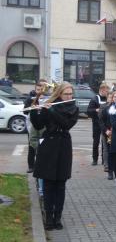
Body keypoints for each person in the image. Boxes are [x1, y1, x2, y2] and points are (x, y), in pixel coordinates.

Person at [31, 82, 79, 230]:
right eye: (66, 94)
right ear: (59, 94)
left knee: (60, 184)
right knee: (48, 183)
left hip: (63, 145)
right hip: (49, 146)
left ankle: (57, 218)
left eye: (71, 94)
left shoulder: (74, 108)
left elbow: (66, 125)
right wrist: (34, 111)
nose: (69, 96)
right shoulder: (50, 105)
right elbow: (39, 125)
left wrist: (51, 110)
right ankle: (49, 217)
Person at [86, 83, 109, 166]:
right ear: (101, 90)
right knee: (96, 142)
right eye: (105, 91)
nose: (107, 92)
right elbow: (88, 111)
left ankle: (104, 160)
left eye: (107, 91)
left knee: (105, 143)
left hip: (105, 124)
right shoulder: (95, 99)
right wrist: (95, 110)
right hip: (96, 123)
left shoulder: (108, 99)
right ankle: (95, 159)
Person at [100, 91, 116, 179]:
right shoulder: (106, 109)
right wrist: (106, 130)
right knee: (109, 153)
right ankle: (110, 171)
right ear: (112, 98)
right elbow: (101, 121)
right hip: (108, 133)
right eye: (115, 97)